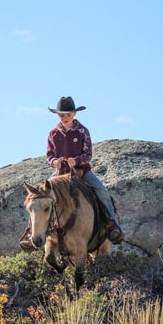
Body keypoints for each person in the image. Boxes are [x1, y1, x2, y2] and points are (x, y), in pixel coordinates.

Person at [44, 96, 124, 244]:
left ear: (74, 114)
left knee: (102, 191)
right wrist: (55, 162)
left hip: (82, 171)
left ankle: (112, 225)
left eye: (68, 114)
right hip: (61, 173)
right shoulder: (53, 133)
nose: (65, 117)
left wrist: (77, 160)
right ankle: (35, 232)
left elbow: (88, 155)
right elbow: (50, 155)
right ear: (57, 115)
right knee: (41, 195)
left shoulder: (82, 131)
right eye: (62, 114)